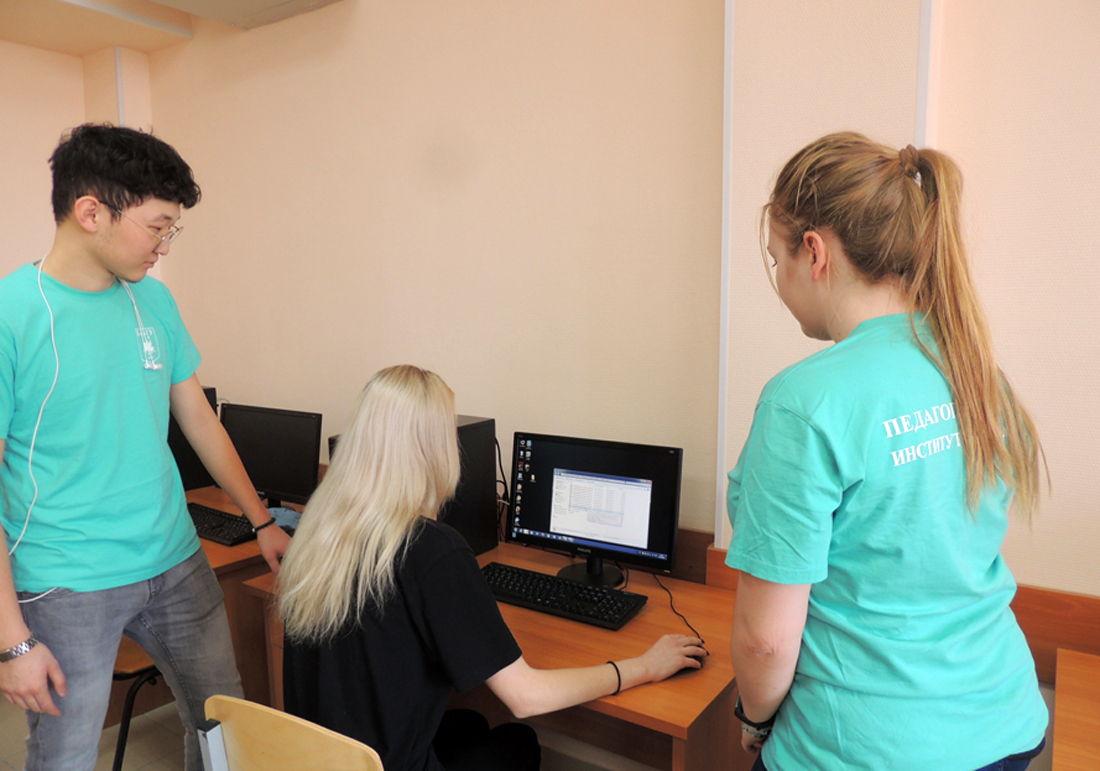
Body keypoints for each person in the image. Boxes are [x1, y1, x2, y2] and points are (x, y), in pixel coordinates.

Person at [724, 133, 1047, 771]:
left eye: (776, 259)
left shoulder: (803, 402)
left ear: (814, 252)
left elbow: (765, 642)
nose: (779, 281)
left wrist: (755, 720)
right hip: (1003, 724)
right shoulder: (977, 371)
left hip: (864, 747)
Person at [0, 124, 292, 771]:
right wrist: (12, 641)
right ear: (91, 212)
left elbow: (200, 422)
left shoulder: (153, 301)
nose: (163, 246)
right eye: (157, 227)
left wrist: (262, 520)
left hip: (176, 560)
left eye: (171, 230)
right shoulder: (12, 315)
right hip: (66, 581)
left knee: (222, 728)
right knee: (65, 757)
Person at [278, 365, 706, 771]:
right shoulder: (431, 549)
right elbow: (526, 697)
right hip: (386, 762)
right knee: (518, 740)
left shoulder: (319, 529)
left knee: (472, 722)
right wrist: (643, 666)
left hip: (327, 758)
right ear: (434, 449)